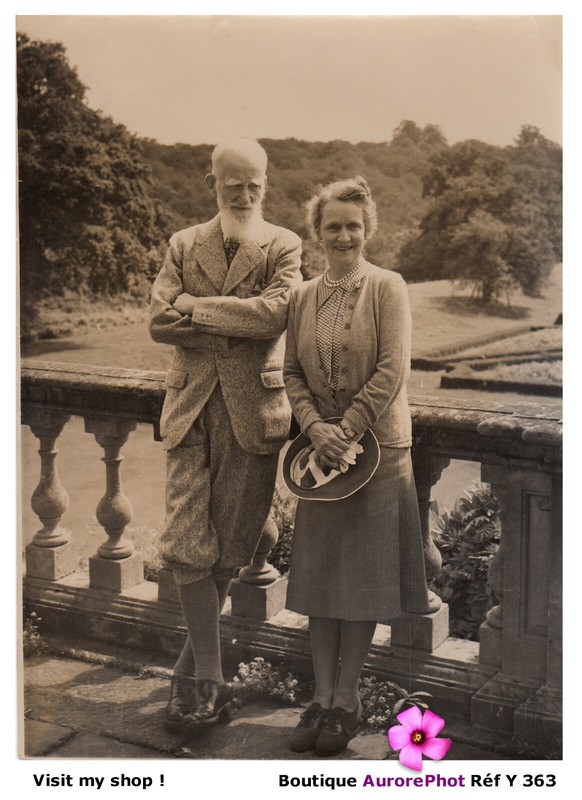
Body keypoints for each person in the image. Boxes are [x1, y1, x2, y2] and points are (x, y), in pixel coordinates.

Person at [149, 137, 302, 734]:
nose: (243, 193)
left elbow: (274, 316)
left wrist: (196, 307)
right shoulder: (184, 243)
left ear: (266, 182)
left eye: (253, 184)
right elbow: (159, 321)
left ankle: (188, 676)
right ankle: (211, 682)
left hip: (252, 413)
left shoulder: (283, 243)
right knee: (187, 540)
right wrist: (221, 321)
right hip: (189, 409)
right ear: (212, 181)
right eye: (231, 182)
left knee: (233, 546)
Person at [283, 176, 433, 757]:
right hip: (322, 462)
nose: (343, 235)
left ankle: (346, 701)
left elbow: (393, 367)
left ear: (367, 229)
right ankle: (319, 698)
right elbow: (292, 374)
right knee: (321, 581)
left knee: (363, 582)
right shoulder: (301, 295)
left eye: (353, 225)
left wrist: (345, 429)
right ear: (316, 233)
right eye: (332, 226)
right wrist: (315, 429)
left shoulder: (387, 287)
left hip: (377, 454)